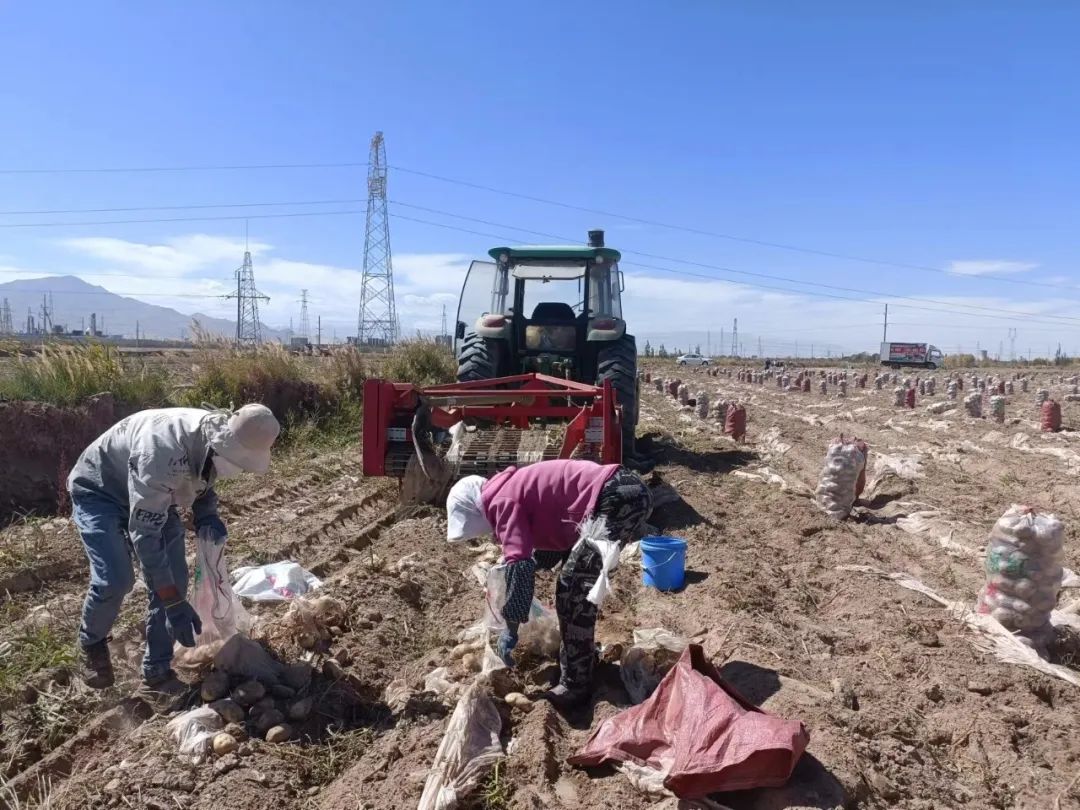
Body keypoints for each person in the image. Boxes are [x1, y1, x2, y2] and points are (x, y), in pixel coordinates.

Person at [68, 404, 280, 699]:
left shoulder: (213, 440)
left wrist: (207, 514)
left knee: (176, 579)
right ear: (224, 444)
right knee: (116, 578)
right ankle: (91, 642)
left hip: (155, 493)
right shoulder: (162, 455)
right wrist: (172, 602)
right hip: (101, 490)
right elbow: (144, 535)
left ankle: (156, 672)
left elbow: (204, 478)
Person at [445, 459, 652, 710]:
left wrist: (511, 627)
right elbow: (549, 539)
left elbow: (521, 569)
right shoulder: (508, 489)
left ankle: (576, 684)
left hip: (615, 496)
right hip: (620, 490)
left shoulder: (501, 501)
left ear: (474, 511)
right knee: (574, 579)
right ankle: (580, 660)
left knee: (573, 590)